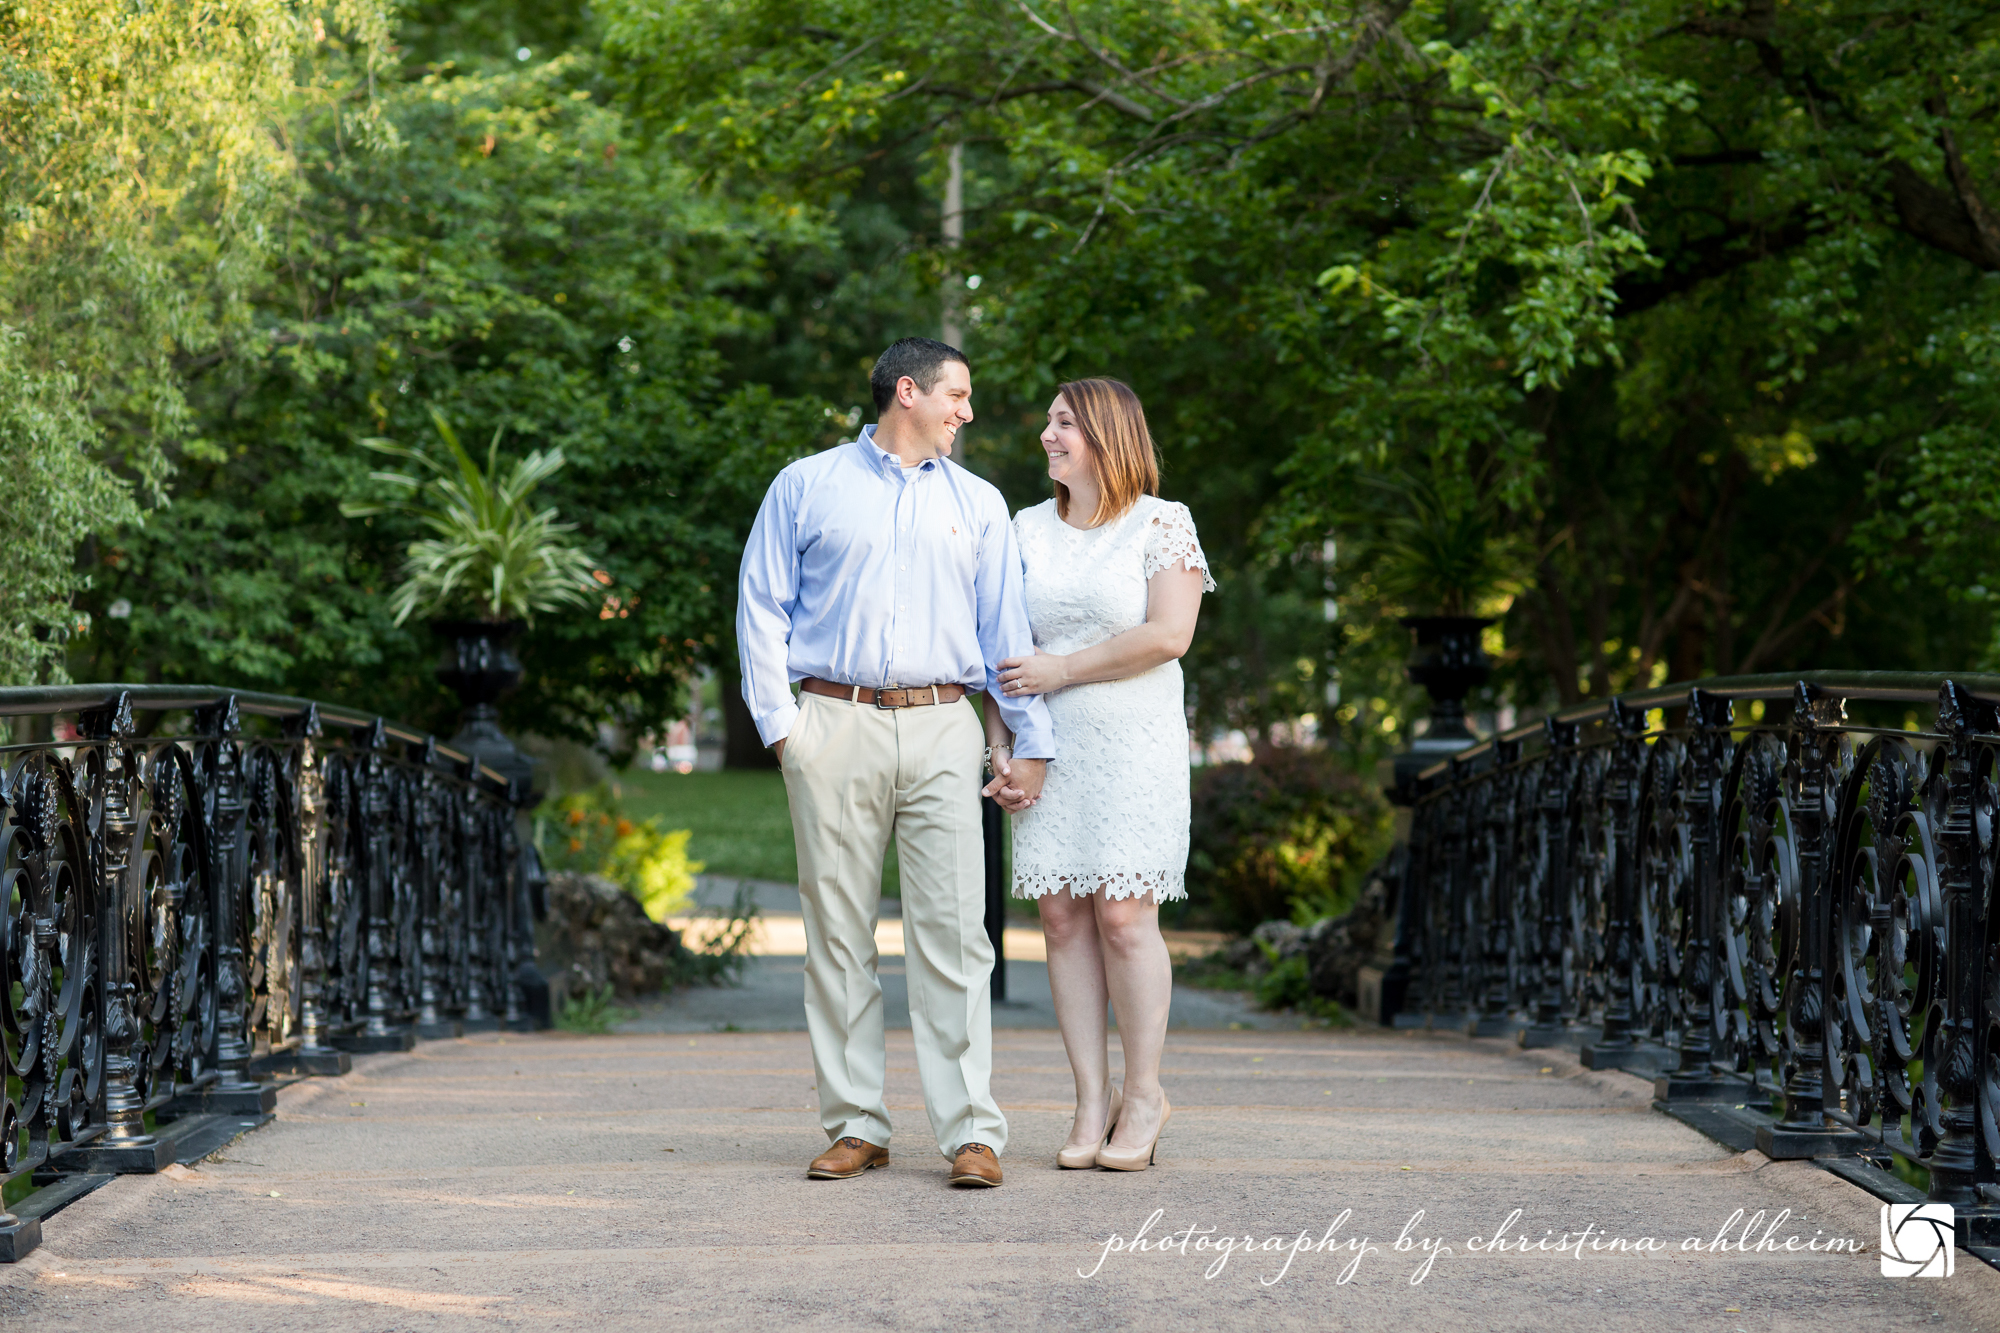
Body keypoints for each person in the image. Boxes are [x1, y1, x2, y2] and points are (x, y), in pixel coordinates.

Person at [736, 336, 1055, 1188]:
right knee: (836, 932)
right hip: (832, 722)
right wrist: (781, 729)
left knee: (957, 934)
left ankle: (971, 1134)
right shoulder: (805, 485)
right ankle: (856, 1124)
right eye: (958, 395)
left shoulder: (981, 503)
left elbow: (1004, 640)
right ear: (906, 391)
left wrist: (1023, 742)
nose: (969, 411)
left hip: (946, 724)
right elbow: (761, 605)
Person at [981, 377, 1211, 1172]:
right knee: (1060, 919)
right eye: (1049, 421)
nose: (1048, 434)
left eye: (1066, 422)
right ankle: (1089, 1097)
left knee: (1122, 916)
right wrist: (1000, 747)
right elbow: (1000, 653)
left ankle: (1144, 1093)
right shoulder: (1023, 529)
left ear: (1109, 435)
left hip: (1134, 746)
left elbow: (1169, 634)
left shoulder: (1162, 522)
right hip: (1049, 748)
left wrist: (1063, 668)